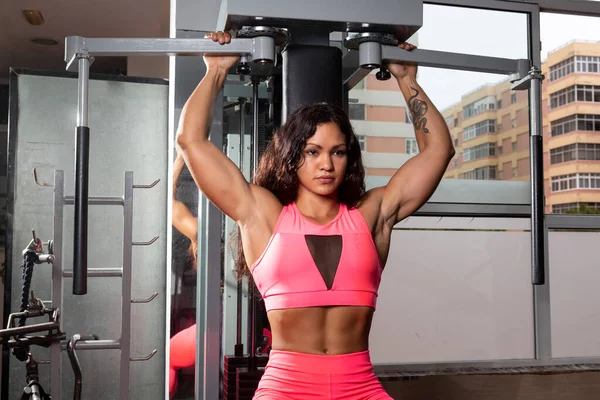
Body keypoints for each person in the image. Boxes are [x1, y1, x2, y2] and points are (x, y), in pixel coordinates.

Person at [177, 31, 454, 399]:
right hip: (286, 389)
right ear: (293, 156)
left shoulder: (372, 216)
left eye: (338, 152)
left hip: (361, 387)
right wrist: (216, 71)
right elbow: (191, 141)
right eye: (313, 152)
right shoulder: (263, 214)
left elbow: (439, 152)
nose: (326, 164)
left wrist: (406, 79)